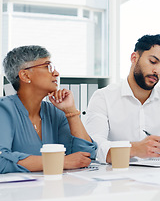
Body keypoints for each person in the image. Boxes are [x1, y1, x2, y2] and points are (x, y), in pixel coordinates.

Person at [85, 34, 160, 164]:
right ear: (134, 58)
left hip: (157, 179)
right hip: (115, 177)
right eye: (153, 62)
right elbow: (95, 147)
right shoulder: (103, 97)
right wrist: (134, 149)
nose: (157, 71)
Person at [0, 45, 97, 174]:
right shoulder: (4, 109)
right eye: (47, 67)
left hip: (54, 189)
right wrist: (61, 162)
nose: (56, 73)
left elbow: (85, 156)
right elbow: (2, 161)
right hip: (16, 193)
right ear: (25, 75)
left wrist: (71, 112)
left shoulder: (55, 113)